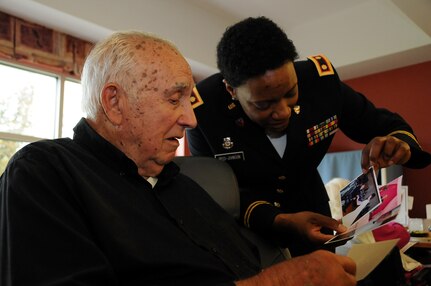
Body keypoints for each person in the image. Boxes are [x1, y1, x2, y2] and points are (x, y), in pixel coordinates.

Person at [0, 31, 356, 285]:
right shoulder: (44, 173)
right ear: (115, 103)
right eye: (175, 100)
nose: (191, 119)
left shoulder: (182, 184)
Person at [186, 16, 431, 256]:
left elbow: (388, 126)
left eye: (291, 93)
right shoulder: (204, 113)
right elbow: (218, 192)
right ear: (232, 90)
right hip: (248, 233)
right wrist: (278, 220)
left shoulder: (320, 84)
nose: (283, 112)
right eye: (263, 105)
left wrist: (399, 145)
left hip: (315, 217)